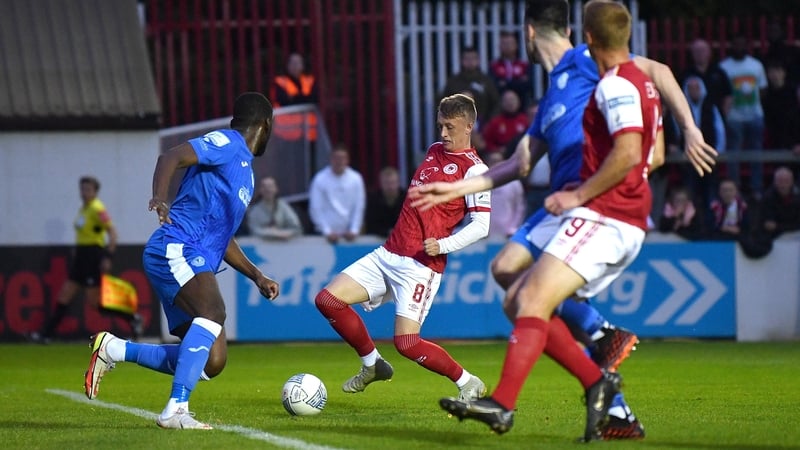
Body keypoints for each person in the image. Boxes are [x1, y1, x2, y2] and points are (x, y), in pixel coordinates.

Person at [414, 0, 716, 440]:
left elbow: (659, 73)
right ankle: (604, 380)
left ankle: (538, 381)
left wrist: (689, 127)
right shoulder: (552, 94)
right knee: (507, 275)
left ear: (529, 32)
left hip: (594, 202)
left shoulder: (590, 61)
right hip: (566, 203)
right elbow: (520, 163)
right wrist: (459, 187)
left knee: (530, 299)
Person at [83, 92, 280, 430]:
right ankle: (176, 409)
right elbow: (170, 156)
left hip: (193, 254)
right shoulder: (228, 143)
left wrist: (256, 275)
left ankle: (114, 349)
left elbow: (223, 237)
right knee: (213, 311)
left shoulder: (246, 174)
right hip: (176, 246)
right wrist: (160, 198)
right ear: (266, 125)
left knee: (213, 361)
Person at [314, 93, 491, 403]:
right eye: (440, 125)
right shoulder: (434, 150)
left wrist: (444, 244)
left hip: (420, 265)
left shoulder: (475, 171)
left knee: (407, 343)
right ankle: (372, 364)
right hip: (388, 253)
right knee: (328, 300)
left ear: (468, 126)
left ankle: (468, 382)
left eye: (450, 127)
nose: (443, 133)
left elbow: (481, 226)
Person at [30, 176, 143, 343]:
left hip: (92, 257)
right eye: (82, 189)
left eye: (88, 189)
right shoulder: (84, 209)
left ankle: (132, 317)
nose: (84, 192)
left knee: (94, 303)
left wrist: (108, 256)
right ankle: (46, 335)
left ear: (95, 192)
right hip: (81, 258)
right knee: (64, 296)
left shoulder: (97, 208)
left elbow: (113, 233)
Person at [720, 35, 768, 196]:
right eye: (736, 44)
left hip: (755, 116)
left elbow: (762, 89)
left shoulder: (756, 65)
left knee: (756, 153)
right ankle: (734, 190)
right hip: (733, 118)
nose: (739, 47)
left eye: (742, 44)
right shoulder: (724, 66)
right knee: (733, 155)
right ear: (731, 46)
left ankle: (756, 187)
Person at [308, 144, 366, 243]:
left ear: (347, 160)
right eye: (336, 158)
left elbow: (359, 206)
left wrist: (354, 229)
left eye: (342, 158)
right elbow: (315, 208)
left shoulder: (356, 178)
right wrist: (327, 231)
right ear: (331, 159)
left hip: (349, 236)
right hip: (324, 236)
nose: (339, 161)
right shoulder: (320, 179)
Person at [440, 46, 501, 126]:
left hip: (483, 125)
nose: (470, 61)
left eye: (473, 58)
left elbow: (496, 103)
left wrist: (489, 123)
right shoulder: (453, 82)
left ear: (478, 60)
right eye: (467, 59)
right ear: (461, 61)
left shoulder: (486, 81)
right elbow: (443, 104)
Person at [270, 52, 319, 142]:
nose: (295, 66)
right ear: (287, 66)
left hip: (307, 134)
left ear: (303, 65)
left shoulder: (310, 81)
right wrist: (303, 98)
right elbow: (283, 101)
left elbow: (314, 99)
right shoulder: (280, 82)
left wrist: (293, 98)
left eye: (298, 63)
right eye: (292, 63)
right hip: (286, 134)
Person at [680, 38, 733, 119]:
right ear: (692, 54)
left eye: (703, 50)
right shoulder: (686, 74)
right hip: (693, 117)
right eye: (697, 51)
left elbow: (728, 95)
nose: (700, 53)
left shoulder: (719, 72)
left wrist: (723, 115)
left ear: (709, 52)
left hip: (715, 116)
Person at [246, 176, 303, 240]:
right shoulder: (254, 209)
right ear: (260, 190)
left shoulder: (283, 206)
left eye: (270, 186)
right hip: (261, 243)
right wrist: (270, 233)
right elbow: (253, 230)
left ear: (276, 189)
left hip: (284, 242)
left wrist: (283, 233)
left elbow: (296, 228)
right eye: (264, 187)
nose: (268, 190)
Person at [484, 152, 526, 238]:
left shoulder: (514, 183)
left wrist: (512, 228)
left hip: (507, 233)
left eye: (498, 161)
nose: (496, 164)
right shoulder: (480, 183)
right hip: (485, 234)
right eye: (493, 161)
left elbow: (520, 208)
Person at [489, 31, 533, 105]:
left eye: (510, 43)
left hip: (522, 105)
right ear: (499, 46)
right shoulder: (494, 66)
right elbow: (494, 86)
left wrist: (505, 83)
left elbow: (527, 86)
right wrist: (517, 82)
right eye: (504, 43)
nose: (508, 46)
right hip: (499, 105)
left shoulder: (524, 66)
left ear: (516, 45)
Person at [481, 90, 531, 154]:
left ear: (519, 102)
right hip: (502, 153)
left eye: (512, 99)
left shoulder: (525, 120)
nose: (510, 103)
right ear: (502, 103)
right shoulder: (495, 122)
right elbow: (487, 141)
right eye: (507, 100)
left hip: (521, 151)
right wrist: (497, 149)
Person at [364, 166, 406, 237]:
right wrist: (387, 232)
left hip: (403, 237)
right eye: (386, 183)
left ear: (398, 182)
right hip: (378, 238)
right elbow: (370, 225)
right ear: (381, 183)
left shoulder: (407, 199)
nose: (390, 187)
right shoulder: (373, 199)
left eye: (393, 183)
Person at [760, 166, 800, 238]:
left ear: (792, 182)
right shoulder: (768, 197)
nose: (783, 185)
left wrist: (778, 226)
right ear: (774, 182)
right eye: (780, 181)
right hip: (775, 236)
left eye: (786, 181)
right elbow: (768, 225)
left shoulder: (797, 197)